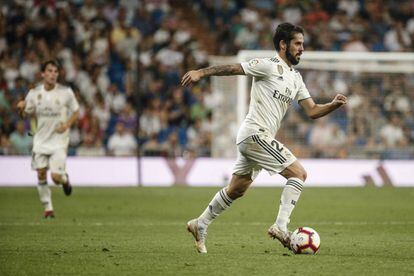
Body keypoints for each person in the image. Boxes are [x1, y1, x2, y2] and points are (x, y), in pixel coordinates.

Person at [181, 23, 347, 253]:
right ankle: (280, 227)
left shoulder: (296, 78)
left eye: (302, 44)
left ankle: (200, 223)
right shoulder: (268, 66)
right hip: (254, 134)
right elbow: (234, 69)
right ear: (283, 44)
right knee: (299, 174)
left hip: (259, 138)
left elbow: (312, 111)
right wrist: (201, 72)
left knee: (237, 189)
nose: (302, 49)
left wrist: (332, 105)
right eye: (297, 43)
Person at [17, 60, 80, 219]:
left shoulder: (66, 92)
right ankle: (48, 209)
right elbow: (26, 114)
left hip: (59, 141)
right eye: (50, 71)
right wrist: (21, 109)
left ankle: (65, 180)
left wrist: (66, 125)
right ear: (43, 74)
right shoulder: (34, 94)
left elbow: (76, 111)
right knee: (41, 174)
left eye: (55, 71)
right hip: (40, 141)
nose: (53, 74)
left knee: (56, 178)